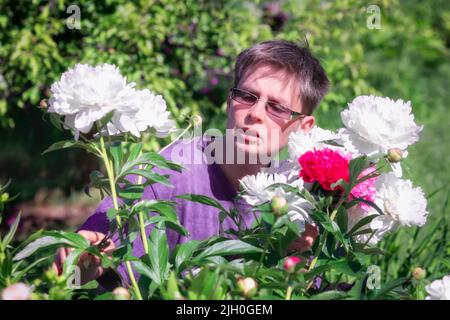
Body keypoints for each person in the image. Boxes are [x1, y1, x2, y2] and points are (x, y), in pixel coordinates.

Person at [53, 39, 329, 286]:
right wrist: (84, 258)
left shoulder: (305, 197)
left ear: (305, 127)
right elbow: (94, 248)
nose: (255, 113)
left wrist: (301, 262)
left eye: (277, 107)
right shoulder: (166, 172)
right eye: (246, 96)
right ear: (228, 101)